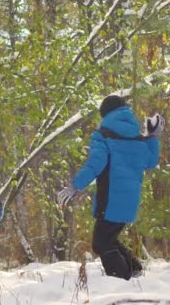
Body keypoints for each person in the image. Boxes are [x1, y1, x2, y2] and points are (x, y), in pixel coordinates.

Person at [57, 95, 163, 280]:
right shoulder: (139, 138)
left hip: (110, 200)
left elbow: (95, 164)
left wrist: (75, 186)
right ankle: (135, 270)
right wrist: (153, 136)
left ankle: (122, 278)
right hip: (130, 202)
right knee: (108, 239)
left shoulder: (103, 135)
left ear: (105, 114)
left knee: (101, 243)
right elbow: (151, 162)